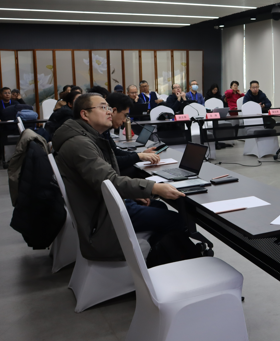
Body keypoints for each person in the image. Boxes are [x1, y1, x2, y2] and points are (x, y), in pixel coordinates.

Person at [52, 93, 190, 261]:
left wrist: (133, 193)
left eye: (109, 108)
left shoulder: (88, 137)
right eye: (103, 107)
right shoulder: (80, 144)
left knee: (159, 207)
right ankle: (156, 261)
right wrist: (154, 188)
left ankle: (160, 253)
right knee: (175, 220)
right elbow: (110, 182)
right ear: (85, 114)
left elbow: (104, 179)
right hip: (102, 219)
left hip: (101, 207)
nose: (109, 111)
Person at [105, 92, 161, 176]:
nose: (125, 120)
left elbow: (115, 152)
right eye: (125, 115)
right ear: (114, 111)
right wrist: (139, 156)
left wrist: (141, 154)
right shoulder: (97, 133)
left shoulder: (104, 132)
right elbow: (111, 161)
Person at [0, 87, 16, 164]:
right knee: (2, 135)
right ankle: (2, 155)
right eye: (5, 93)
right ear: (1, 95)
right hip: (2, 125)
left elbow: (22, 110)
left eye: (9, 93)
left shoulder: (15, 103)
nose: (7, 95)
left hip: (13, 125)